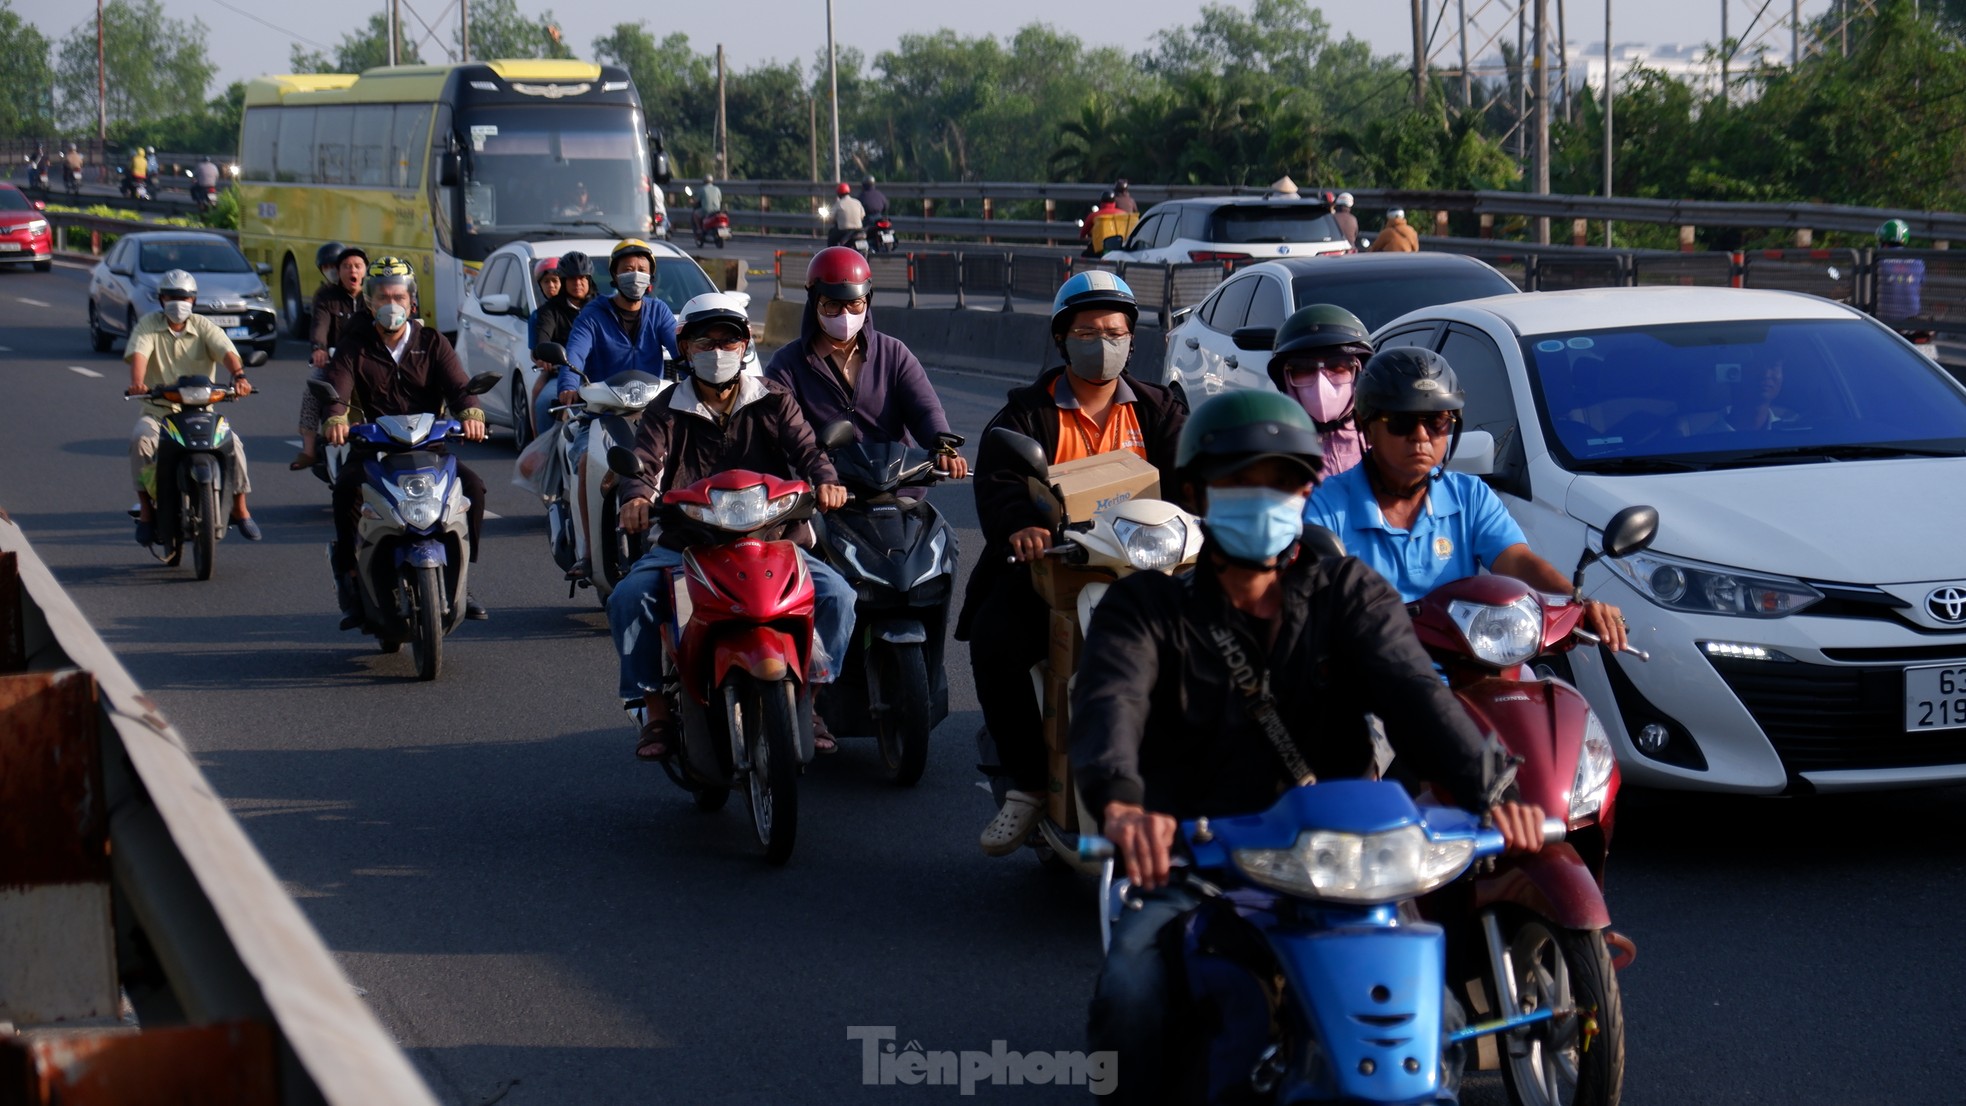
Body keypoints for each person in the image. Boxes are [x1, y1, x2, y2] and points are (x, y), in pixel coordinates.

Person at [1069, 389, 1548, 1104]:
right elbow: (1111, 705)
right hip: (1199, 857)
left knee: (1436, 1019)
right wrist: (1124, 808)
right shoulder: (1146, 609)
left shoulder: (1349, 592)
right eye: (1241, 481)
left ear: (1307, 490)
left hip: (1345, 865)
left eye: (1284, 481)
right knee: (1134, 990)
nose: (1265, 497)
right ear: (1199, 490)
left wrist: (1497, 794)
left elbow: (1417, 695)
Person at [961, 272, 1188, 856]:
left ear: (1133, 341)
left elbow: (1198, 480)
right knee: (993, 641)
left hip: (1148, 574)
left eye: (1115, 331)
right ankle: (1029, 786)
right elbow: (1000, 478)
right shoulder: (1026, 414)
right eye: (1088, 331)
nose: (1103, 341)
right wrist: (1022, 527)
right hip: (1053, 574)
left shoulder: (1161, 411)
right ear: (1062, 340)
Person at [608, 293, 856, 758]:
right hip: (688, 544)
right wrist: (637, 496)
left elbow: (809, 452)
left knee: (837, 596)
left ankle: (813, 701)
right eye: (706, 341)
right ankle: (657, 713)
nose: (718, 351)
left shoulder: (774, 400)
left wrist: (826, 483)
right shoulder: (665, 409)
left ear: (745, 347)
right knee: (629, 597)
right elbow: (642, 463)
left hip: (774, 540)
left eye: (729, 340)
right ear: (685, 348)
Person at [1302, 348, 1628, 649]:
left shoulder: (1470, 496)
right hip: (1369, 674)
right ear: (1367, 427)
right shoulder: (1325, 506)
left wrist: (1574, 603)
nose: (1421, 436)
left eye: (1436, 422)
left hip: (1469, 663)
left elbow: (1516, 560)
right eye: (1401, 422)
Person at [321, 257, 488, 626]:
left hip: (429, 448)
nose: (390, 304)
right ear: (369, 302)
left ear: (412, 301)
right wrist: (336, 418)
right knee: (346, 491)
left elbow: (460, 387)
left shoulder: (432, 342)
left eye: (398, 296)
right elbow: (338, 385)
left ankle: (461, 580)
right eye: (382, 297)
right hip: (374, 450)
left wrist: (471, 415)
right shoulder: (354, 345)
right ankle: (349, 576)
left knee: (473, 487)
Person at [765, 246, 968, 484]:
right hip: (830, 496)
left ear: (867, 301)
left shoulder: (894, 354)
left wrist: (943, 446)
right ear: (814, 302)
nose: (845, 314)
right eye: (832, 305)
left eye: (855, 304)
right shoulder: (786, 365)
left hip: (897, 491)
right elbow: (778, 431)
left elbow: (925, 410)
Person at [558, 239, 681, 580]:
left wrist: (696, 370)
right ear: (613, 275)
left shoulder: (657, 311)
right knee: (586, 462)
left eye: (641, 270)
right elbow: (575, 354)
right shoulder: (593, 313)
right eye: (627, 269)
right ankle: (588, 552)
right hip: (602, 413)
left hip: (651, 414)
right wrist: (568, 384)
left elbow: (679, 349)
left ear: (651, 278)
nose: (635, 276)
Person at [123, 269, 259, 546]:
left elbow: (226, 351)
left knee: (234, 444)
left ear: (194, 300)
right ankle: (147, 512)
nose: (178, 302)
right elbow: (140, 353)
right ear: (161, 299)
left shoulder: (203, 326)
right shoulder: (148, 325)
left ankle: (240, 508)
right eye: (172, 297)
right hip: (159, 411)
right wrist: (138, 383)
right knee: (141, 440)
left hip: (202, 411)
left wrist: (240, 377)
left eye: (184, 297)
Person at [1266, 304, 1372, 477]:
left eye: (1337, 366)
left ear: (1360, 373)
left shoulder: (1383, 438)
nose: (1321, 381)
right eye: (1303, 369)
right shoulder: (1273, 448)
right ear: (1285, 379)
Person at [293, 244, 369, 469]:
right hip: (335, 362)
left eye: (356, 266)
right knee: (312, 391)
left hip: (370, 361)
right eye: (346, 267)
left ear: (365, 270)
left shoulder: (373, 294)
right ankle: (308, 450)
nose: (351, 271)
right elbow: (319, 324)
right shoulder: (326, 296)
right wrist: (319, 348)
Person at [1875, 218, 1925, 322]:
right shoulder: (1918, 261)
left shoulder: (1879, 260)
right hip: (1912, 319)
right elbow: (1919, 288)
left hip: (1884, 320)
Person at [1079, 192, 1135, 257]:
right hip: (1120, 248)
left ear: (1101, 201)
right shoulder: (1124, 214)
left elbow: (1083, 234)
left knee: (1084, 255)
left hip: (1099, 250)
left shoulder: (1093, 215)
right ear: (1114, 202)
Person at [827, 182, 865, 248]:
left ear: (838, 194)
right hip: (859, 230)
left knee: (831, 238)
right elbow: (862, 216)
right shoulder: (857, 202)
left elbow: (831, 218)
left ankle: (832, 255)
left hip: (843, 232)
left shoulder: (839, 204)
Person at [693, 174, 723, 240]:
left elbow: (697, 201)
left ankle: (699, 229)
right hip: (716, 211)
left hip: (706, 210)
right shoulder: (717, 189)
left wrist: (692, 202)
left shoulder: (702, 189)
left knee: (695, 214)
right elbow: (720, 200)